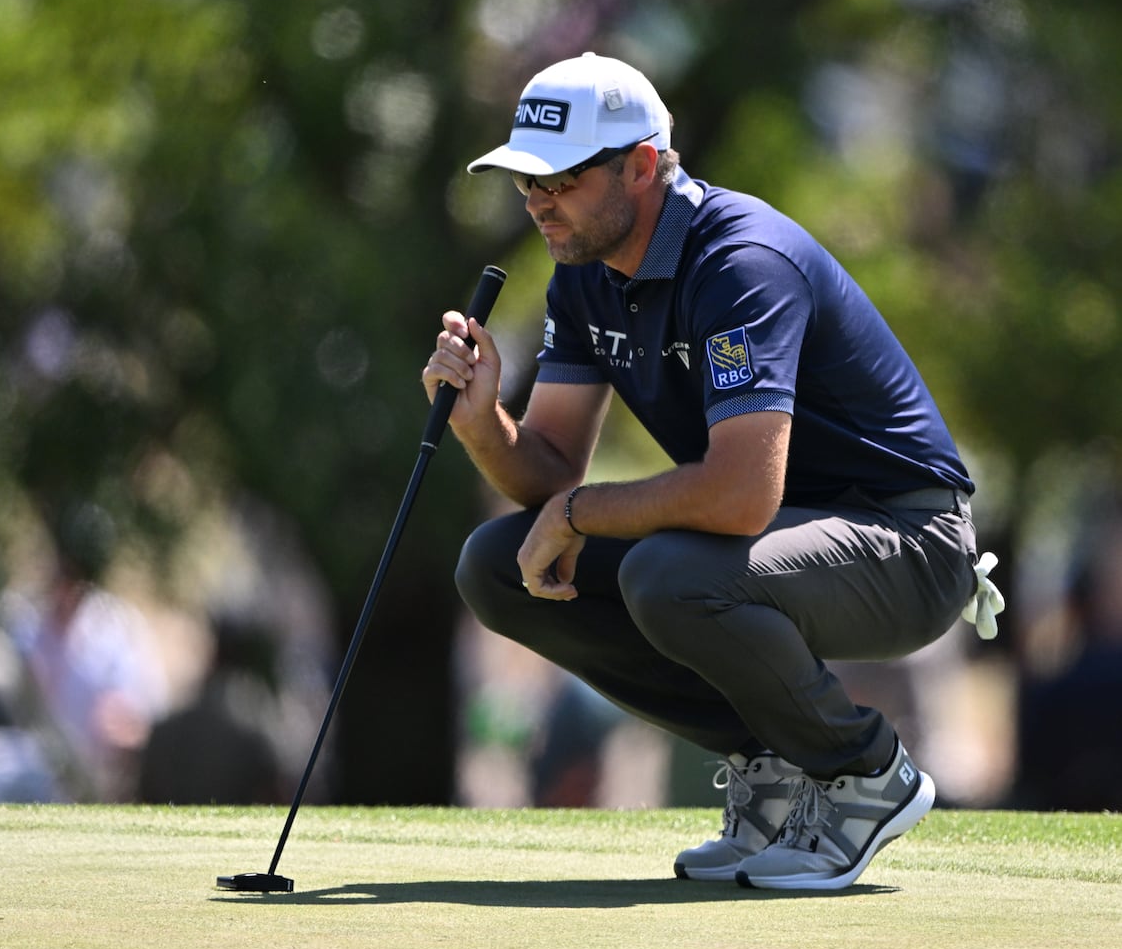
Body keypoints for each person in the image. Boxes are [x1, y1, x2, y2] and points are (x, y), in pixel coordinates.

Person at [423, 52, 1002, 890]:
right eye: (525, 182)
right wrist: (482, 423)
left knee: (669, 574)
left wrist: (582, 512)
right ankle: (770, 764)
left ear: (641, 166)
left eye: (560, 180)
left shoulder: (739, 262)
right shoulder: (583, 278)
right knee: (495, 565)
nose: (537, 202)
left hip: (910, 542)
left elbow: (738, 495)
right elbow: (546, 473)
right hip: (774, 545)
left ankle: (863, 772)